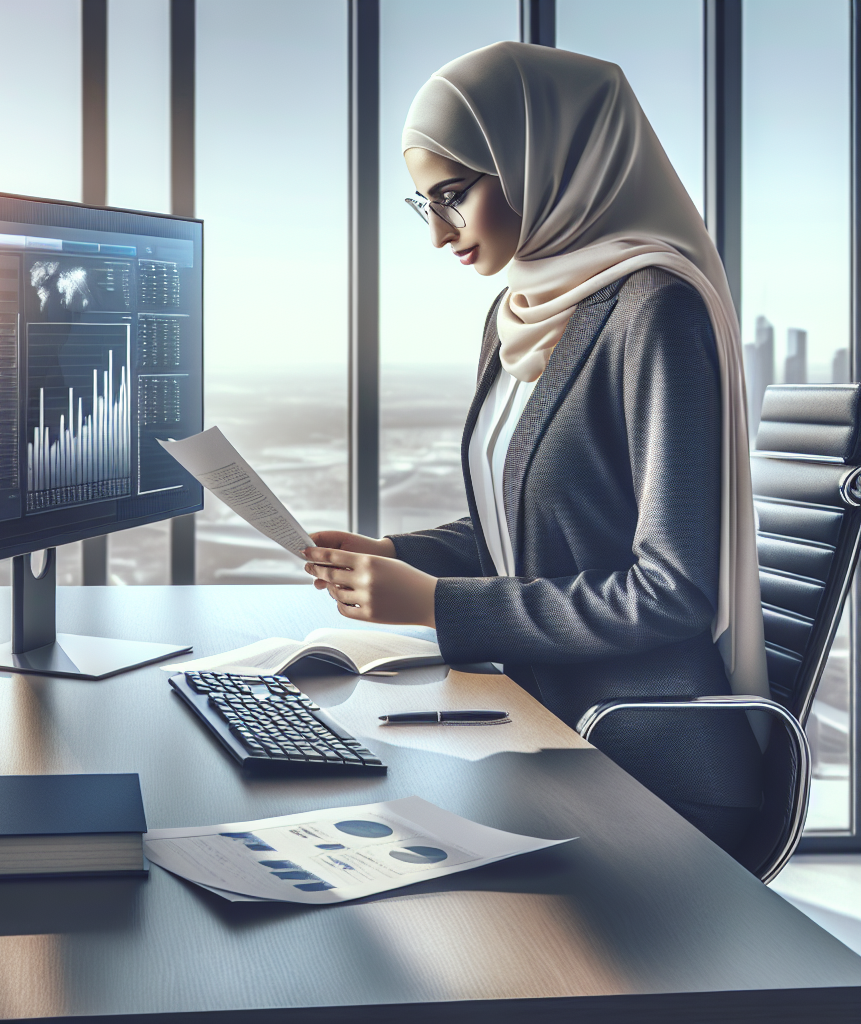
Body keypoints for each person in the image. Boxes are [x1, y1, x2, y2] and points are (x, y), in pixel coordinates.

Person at [304, 42, 769, 856]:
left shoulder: (654, 309)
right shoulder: (517, 313)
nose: (441, 234)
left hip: (648, 766)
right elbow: (524, 532)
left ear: (542, 160)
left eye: (454, 195)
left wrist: (436, 605)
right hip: (542, 724)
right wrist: (395, 555)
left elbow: (669, 592)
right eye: (425, 206)